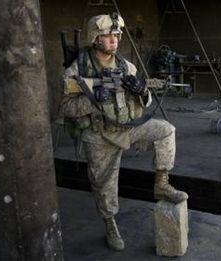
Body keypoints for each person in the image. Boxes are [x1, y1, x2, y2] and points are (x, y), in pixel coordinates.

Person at [58, 13, 188, 252]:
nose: (114, 40)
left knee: (166, 130)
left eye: (116, 36)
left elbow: (145, 102)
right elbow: (65, 108)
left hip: (129, 128)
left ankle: (161, 183)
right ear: (95, 38)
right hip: (99, 135)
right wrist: (92, 99)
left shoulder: (126, 66)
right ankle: (110, 224)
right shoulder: (79, 69)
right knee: (104, 186)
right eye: (108, 36)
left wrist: (142, 92)